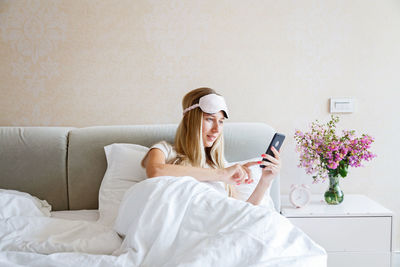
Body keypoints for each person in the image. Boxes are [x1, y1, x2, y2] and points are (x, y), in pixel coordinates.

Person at [141, 87, 281, 205]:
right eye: (209, 119)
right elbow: (155, 171)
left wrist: (265, 181)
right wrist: (221, 174)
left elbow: (242, 214)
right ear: (190, 120)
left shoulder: (220, 166)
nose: (216, 129)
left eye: (220, 122)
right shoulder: (165, 150)